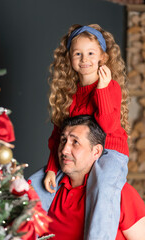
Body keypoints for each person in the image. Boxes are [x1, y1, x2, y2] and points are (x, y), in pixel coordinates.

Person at [44, 24, 130, 239]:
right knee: (36, 184)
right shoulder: (69, 95)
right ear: (70, 59)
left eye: (91, 53)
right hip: (78, 154)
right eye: (78, 54)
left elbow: (108, 127)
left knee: (103, 187)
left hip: (110, 152)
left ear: (102, 57)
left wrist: (101, 89)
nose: (84, 59)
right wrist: (52, 169)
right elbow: (58, 136)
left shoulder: (111, 88)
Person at [30, 115, 145, 240]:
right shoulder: (47, 191)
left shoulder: (117, 192)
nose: (64, 150)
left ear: (96, 152)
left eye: (75, 142)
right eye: (63, 140)